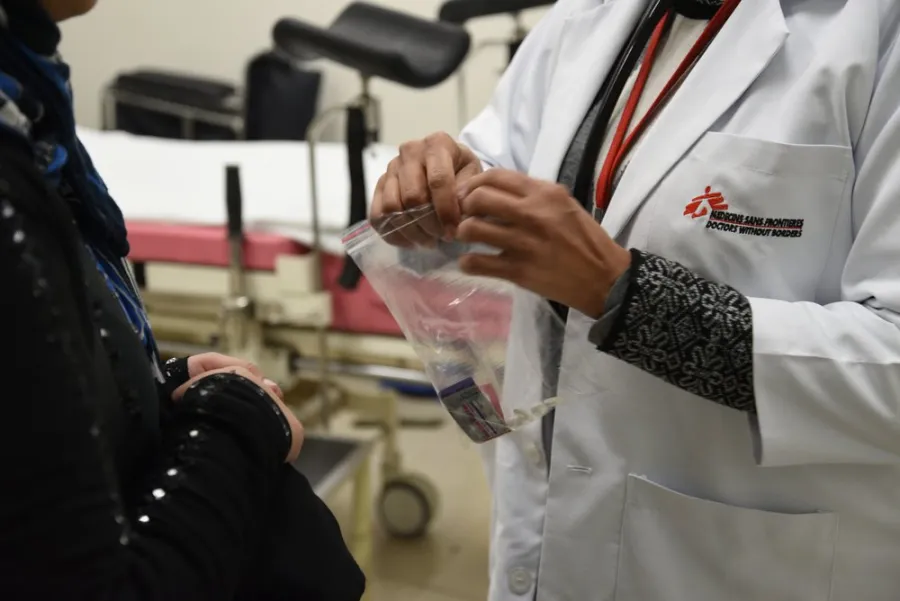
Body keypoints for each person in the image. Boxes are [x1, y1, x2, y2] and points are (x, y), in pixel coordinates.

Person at [371, 0, 900, 599]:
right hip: (547, 528)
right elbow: (505, 169)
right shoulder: (588, 16)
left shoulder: (877, 33)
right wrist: (440, 188)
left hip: (748, 562)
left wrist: (632, 298)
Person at [0, 1, 365, 600]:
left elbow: (28, 409)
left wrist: (151, 386)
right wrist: (238, 416)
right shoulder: (13, 186)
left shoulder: (32, 119)